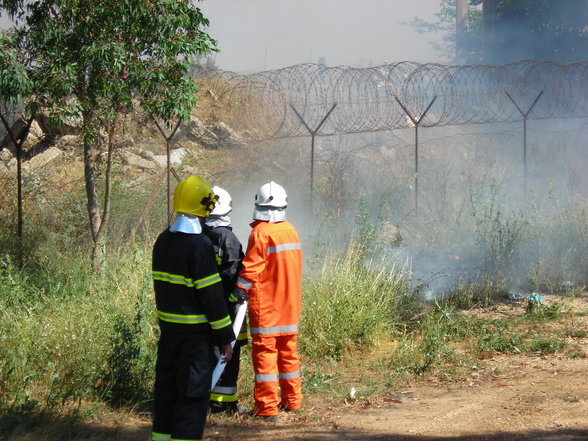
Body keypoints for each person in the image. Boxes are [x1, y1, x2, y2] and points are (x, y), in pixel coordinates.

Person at [151, 175, 235, 441]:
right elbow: (211, 297)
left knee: (167, 394)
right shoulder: (199, 246)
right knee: (191, 398)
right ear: (204, 208)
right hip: (194, 339)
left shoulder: (163, 240)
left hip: (168, 335)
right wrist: (226, 337)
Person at [233, 181, 303, 421]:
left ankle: (266, 408)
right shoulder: (291, 230)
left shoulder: (261, 233)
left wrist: (239, 290)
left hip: (268, 308)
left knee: (265, 356)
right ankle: (292, 401)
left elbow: (251, 268)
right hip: (289, 307)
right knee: (289, 354)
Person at [204, 185, 247, 415]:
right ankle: (223, 404)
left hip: (204, 309)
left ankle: (207, 398)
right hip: (228, 310)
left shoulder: (198, 234)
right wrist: (235, 298)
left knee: (209, 353)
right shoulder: (228, 238)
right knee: (229, 355)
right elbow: (233, 273)